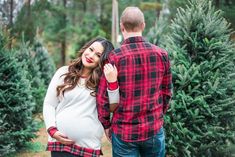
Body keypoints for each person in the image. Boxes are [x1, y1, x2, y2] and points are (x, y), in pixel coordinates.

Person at [96, 7, 173, 157]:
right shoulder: (161, 54)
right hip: (154, 130)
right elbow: (167, 92)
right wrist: (158, 116)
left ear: (121, 26)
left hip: (124, 132)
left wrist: (106, 124)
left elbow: (103, 97)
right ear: (143, 25)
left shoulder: (113, 57)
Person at [43, 37, 119, 157]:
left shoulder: (102, 82)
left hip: (88, 147)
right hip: (60, 144)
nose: (91, 55)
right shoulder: (63, 73)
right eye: (91, 49)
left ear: (103, 61)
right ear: (85, 48)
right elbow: (49, 104)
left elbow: (112, 107)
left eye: (98, 55)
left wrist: (113, 82)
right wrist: (52, 130)